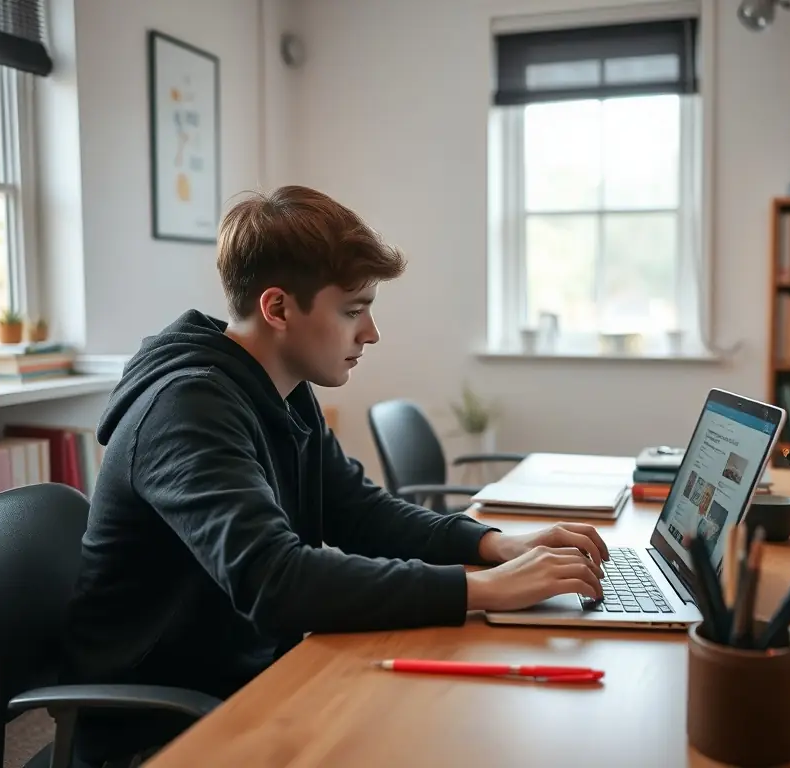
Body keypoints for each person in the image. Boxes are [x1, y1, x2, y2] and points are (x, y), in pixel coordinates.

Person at [62, 185, 609, 767]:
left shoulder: (282, 390)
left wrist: (494, 544)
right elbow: (275, 580)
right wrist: (481, 589)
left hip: (250, 681)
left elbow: (358, 511)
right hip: (163, 726)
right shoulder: (185, 410)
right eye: (352, 311)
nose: (370, 333)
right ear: (277, 309)